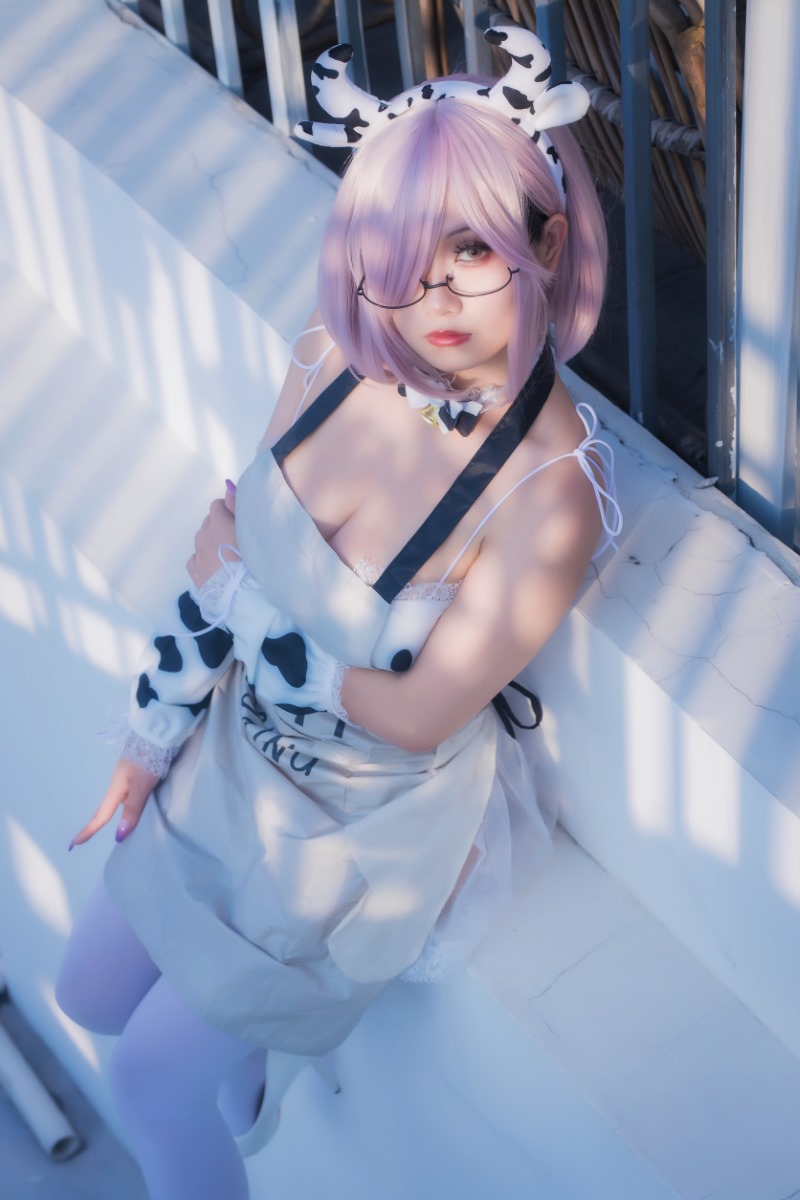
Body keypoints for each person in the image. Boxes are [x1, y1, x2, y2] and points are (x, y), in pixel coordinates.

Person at [56, 24, 620, 1200]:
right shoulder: (330, 351)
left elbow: (412, 712)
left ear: (546, 237)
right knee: (88, 996)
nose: (428, 295)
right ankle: (249, 1054)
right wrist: (150, 733)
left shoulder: (547, 493)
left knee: (151, 1087)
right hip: (232, 750)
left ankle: (243, 1048)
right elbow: (228, 553)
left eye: (470, 246)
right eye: (394, 252)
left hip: (357, 824)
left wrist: (244, 592)